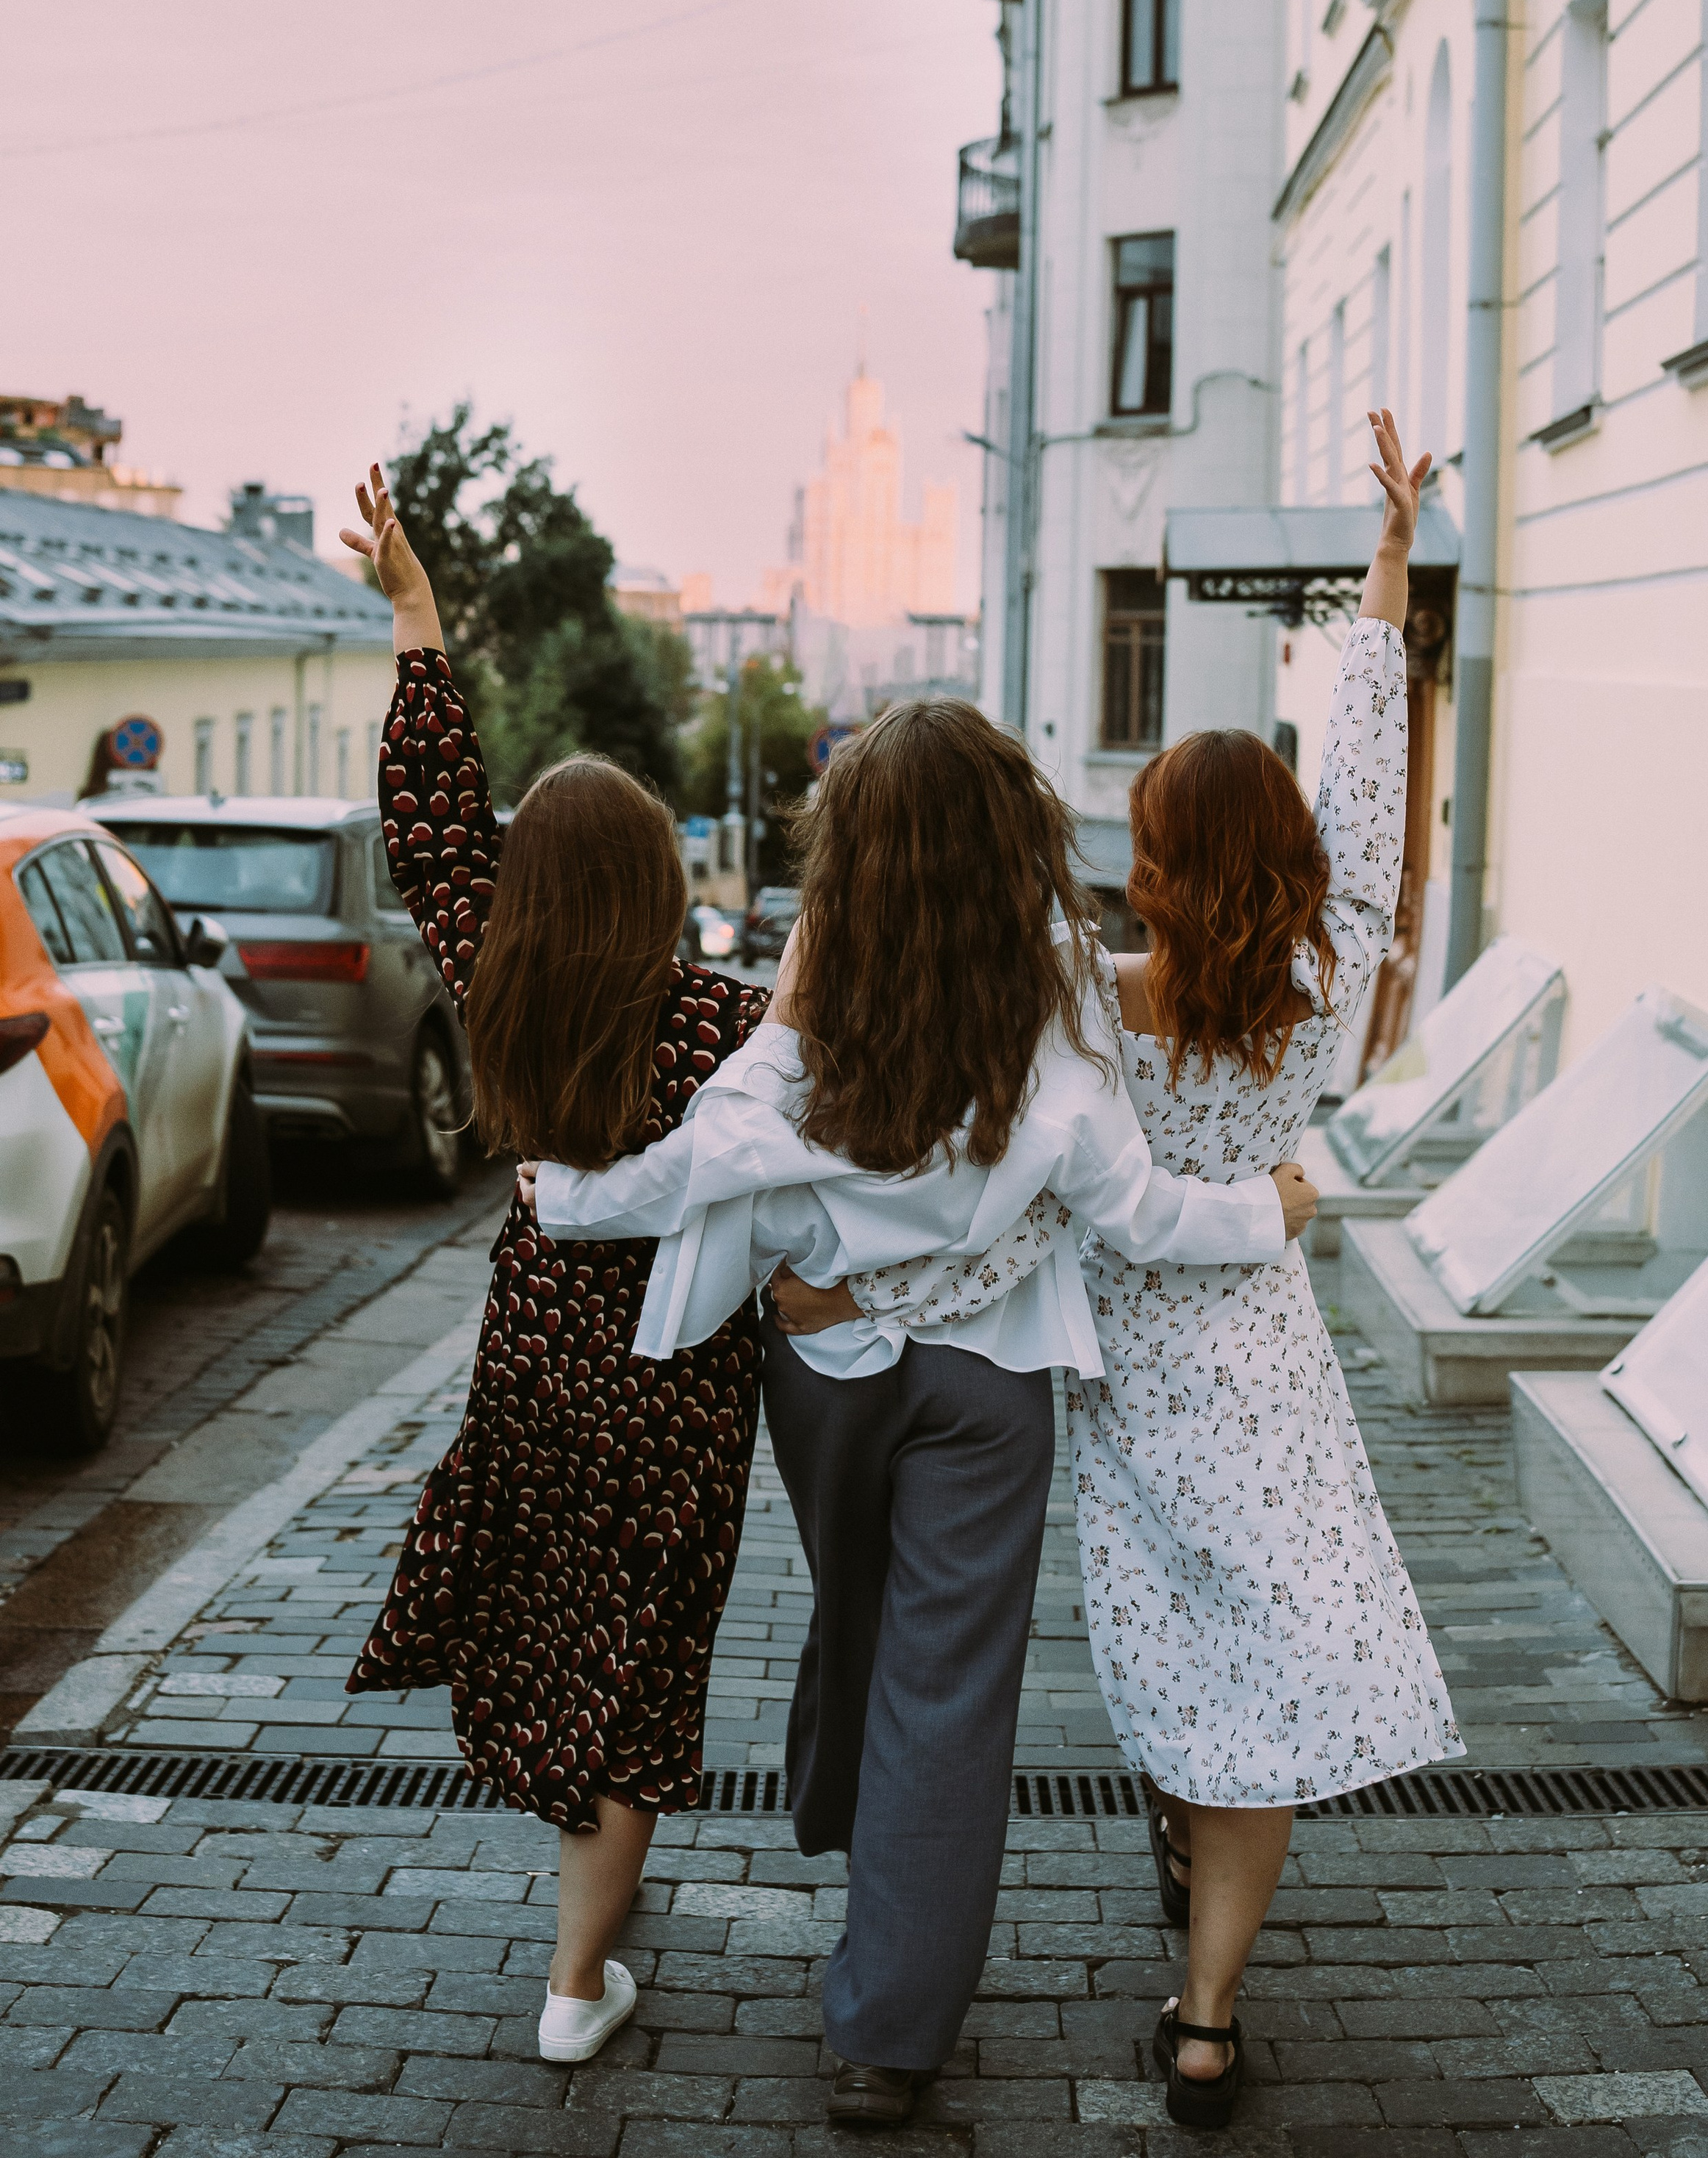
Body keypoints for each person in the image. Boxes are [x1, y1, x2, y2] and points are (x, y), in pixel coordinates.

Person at [525, 709, 1320, 2128]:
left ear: (858, 863)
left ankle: (866, 1870)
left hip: (823, 1379)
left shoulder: (810, 1028)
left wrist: (559, 1196)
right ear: (1011, 846)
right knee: (942, 1691)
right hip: (988, 1389)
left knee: (863, 1621)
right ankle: (884, 2040)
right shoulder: (1057, 1029)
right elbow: (1139, 1211)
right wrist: (1273, 1207)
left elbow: (688, 1169)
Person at [819, 409, 1463, 2129]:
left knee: (1175, 1660)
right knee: (1255, 1671)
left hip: (1104, 1364)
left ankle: (1174, 1844)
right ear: (1295, 870)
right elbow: (1366, 775)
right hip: (1262, 1361)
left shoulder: (1090, 992)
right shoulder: (1331, 977)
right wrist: (1383, 576)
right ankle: (1202, 2018)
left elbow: (962, 926)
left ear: (1155, 866)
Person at [337, 465, 769, 2070]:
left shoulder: (492, 974)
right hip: (677, 1371)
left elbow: (434, 816)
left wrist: (414, 615)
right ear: (659, 880)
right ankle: (576, 1985)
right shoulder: (724, 1023)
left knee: (557, 1611)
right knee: (641, 1651)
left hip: (534, 1351)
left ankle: (573, 1830)